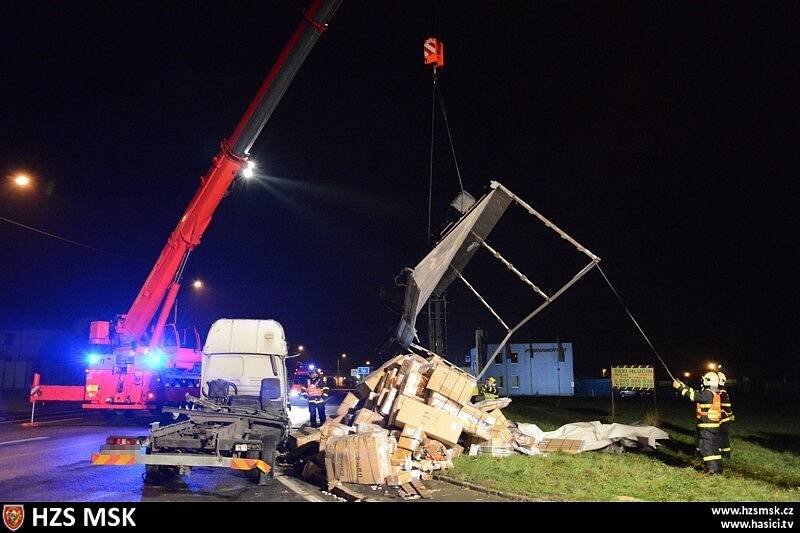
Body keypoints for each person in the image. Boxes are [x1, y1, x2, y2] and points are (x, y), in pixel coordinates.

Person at [673, 372, 723, 474]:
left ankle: (712, 470)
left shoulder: (707, 393)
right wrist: (683, 385)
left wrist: (679, 388)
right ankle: (718, 469)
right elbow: (695, 392)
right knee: (714, 448)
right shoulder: (714, 393)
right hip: (714, 426)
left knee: (706, 448)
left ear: (707, 380)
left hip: (707, 427)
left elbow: (693, 396)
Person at [717, 371, 734, 459]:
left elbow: (726, 405)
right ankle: (726, 455)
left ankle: (724, 454)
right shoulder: (722, 391)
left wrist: (730, 414)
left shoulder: (721, 392)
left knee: (720, 436)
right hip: (723, 419)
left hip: (721, 419)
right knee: (723, 436)